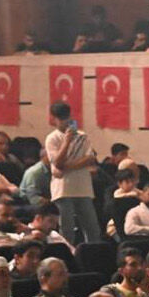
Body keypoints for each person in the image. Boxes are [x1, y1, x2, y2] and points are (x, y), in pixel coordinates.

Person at [45, 102, 101, 245]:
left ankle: (92, 254)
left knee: (92, 228)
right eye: (61, 118)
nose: (65, 121)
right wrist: (66, 141)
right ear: (54, 119)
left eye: (67, 117)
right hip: (63, 190)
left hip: (83, 188)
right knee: (67, 230)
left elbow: (90, 158)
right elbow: (58, 162)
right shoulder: (52, 138)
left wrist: (66, 167)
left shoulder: (82, 136)